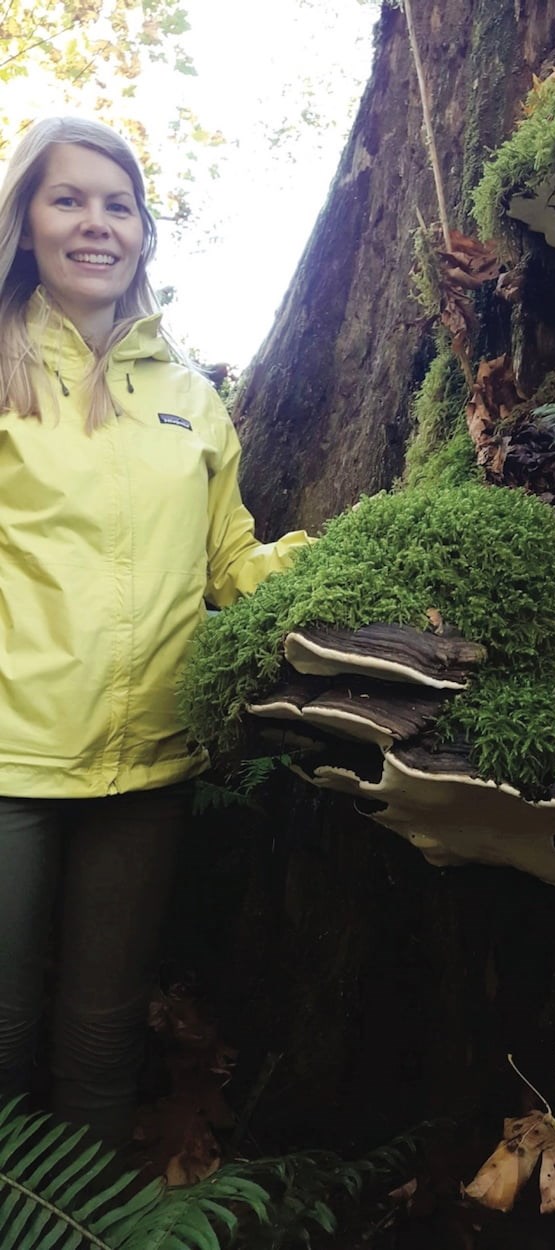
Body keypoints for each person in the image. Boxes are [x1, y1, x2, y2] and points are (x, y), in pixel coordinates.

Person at [0, 116, 310, 1147]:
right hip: (13, 763)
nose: (96, 223)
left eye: (118, 204)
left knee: (100, 1045)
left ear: (142, 233)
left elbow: (233, 565)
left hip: (151, 767)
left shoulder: (191, 400)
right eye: (68, 198)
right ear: (26, 221)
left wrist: (345, 554)